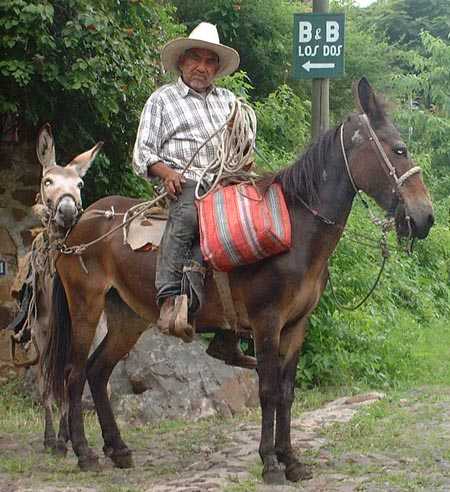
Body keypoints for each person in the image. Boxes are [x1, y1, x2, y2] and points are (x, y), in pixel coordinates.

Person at [133, 22, 256, 369]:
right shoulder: (162, 100)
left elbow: (246, 150)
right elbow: (142, 152)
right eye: (195, 59)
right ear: (183, 62)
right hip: (185, 181)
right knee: (187, 213)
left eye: (209, 61)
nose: (202, 67)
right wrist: (168, 173)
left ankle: (230, 335)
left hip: (226, 181)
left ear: (217, 68)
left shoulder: (230, 102)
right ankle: (170, 297)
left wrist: (241, 148)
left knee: (253, 230)